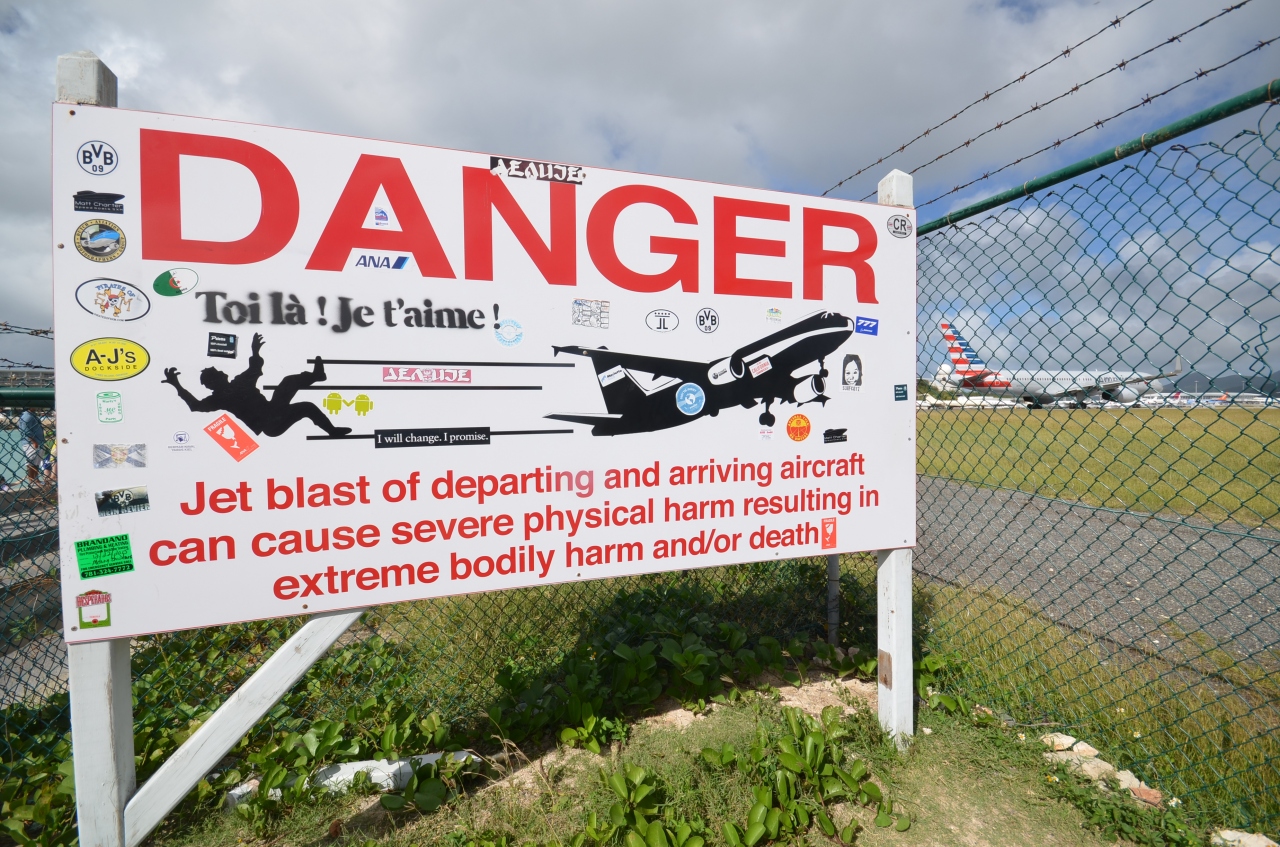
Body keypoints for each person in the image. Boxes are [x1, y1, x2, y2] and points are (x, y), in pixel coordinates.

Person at [162, 333, 351, 437]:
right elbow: (195, 406)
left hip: (273, 410)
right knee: (307, 407)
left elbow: (255, 366)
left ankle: (317, 376)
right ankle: (332, 431)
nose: (222, 371)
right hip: (270, 424)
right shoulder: (219, 398)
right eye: (217, 373)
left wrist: (254, 350)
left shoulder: (240, 382)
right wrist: (176, 385)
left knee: (287, 382)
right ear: (214, 381)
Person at [18, 409, 44, 483]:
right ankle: (32, 479)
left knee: (36, 462)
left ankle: (36, 479)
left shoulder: (32, 415)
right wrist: (34, 441)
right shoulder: (27, 416)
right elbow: (26, 431)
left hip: (38, 441)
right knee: (31, 461)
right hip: (30, 443)